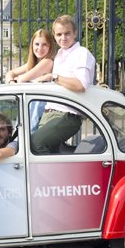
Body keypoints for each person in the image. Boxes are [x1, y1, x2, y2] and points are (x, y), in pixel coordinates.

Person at [30, 14, 96, 154]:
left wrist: (53, 77)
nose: (63, 38)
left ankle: (48, 177)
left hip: (68, 115)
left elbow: (80, 85)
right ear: (54, 35)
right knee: (47, 151)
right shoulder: (60, 54)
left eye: (67, 33)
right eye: (59, 34)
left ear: (75, 33)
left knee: (35, 144)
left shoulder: (81, 53)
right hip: (49, 112)